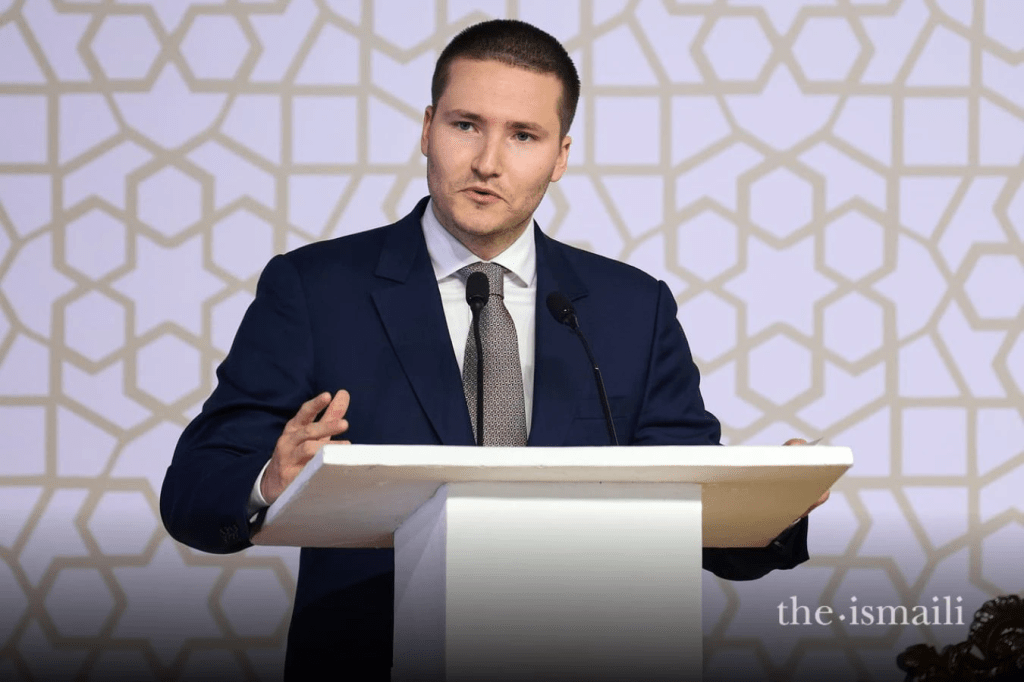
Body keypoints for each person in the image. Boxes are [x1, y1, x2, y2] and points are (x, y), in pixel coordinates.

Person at [160, 18, 827, 679]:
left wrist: (775, 503)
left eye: (524, 136)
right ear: (427, 128)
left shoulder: (631, 309)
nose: (487, 162)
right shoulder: (316, 290)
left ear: (561, 156)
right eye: (465, 125)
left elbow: (693, 511)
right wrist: (270, 483)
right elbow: (194, 487)